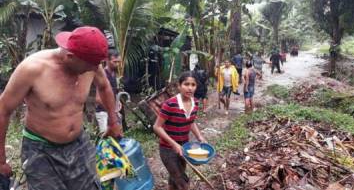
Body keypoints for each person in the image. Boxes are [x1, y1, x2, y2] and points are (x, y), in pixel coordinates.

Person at [0, 26, 123, 190]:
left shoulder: (91, 63)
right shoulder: (33, 69)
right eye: (89, 66)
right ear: (70, 57)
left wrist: (113, 122)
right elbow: (3, 110)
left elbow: (105, 87)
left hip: (79, 144)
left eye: (97, 65)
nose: (95, 70)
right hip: (41, 151)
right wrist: (1, 160)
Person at [153, 71, 206, 190]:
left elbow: (191, 121)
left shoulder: (195, 103)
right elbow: (157, 127)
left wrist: (199, 137)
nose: (190, 88)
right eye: (186, 84)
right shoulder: (170, 104)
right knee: (182, 183)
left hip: (185, 147)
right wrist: (174, 144)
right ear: (179, 86)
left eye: (193, 85)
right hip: (168, 149)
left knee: (174, 180)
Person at [95, 49, 122, 133]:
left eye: (118, 62)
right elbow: (98, 99)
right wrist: (112, 109)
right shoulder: (103, 75)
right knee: (106, 140)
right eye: (114, 62)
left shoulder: (114, 74)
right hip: (103, 113)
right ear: (107, 60)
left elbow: (114, 93)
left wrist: (118, 102)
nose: (117, 64)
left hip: (113, 112)